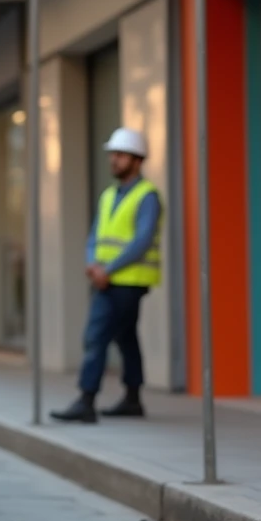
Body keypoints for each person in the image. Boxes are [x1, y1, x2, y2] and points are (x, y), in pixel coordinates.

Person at [51, 128, 163, 424]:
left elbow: (141, 241)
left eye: (121, 155)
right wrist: (92, 263)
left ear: (138, 161)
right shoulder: (108, 195)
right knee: (125, 338)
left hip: (128, 281)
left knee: (96, 334)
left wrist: (106, 270)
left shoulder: (147, 196)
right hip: (107, 278)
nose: (114, 160)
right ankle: (133, 399)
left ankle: (86, 400)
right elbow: (95, 236)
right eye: (112, 154)